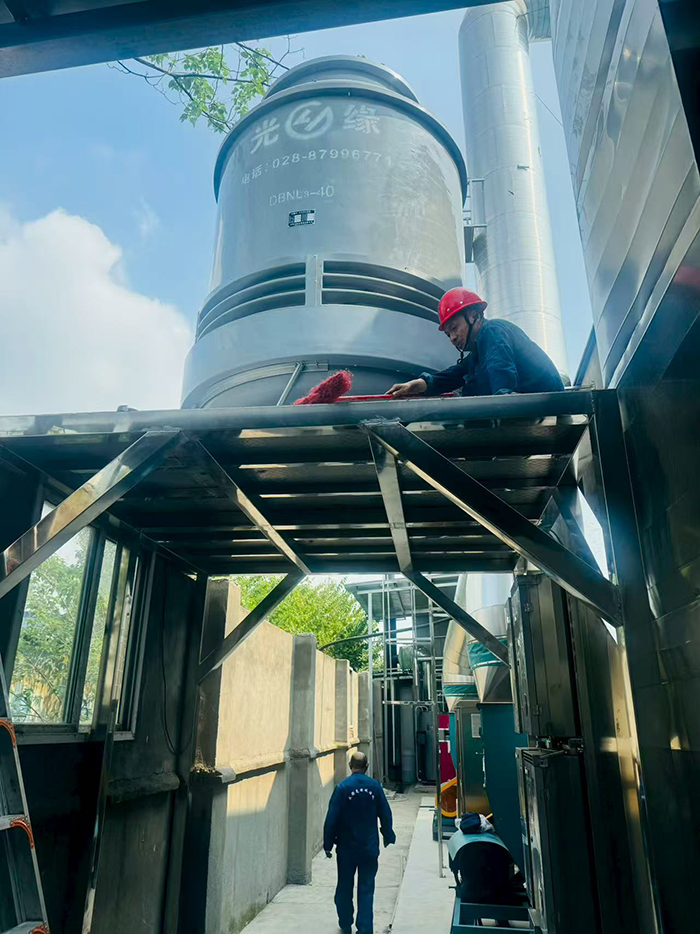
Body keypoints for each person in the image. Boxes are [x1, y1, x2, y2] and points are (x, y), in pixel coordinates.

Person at [387, 287, 564, 398]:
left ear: (473, 315)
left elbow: (501, 372)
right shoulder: (477, 354)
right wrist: (420, 383)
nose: (452, 338)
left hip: (548, 403)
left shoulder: (492, 331)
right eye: (448, 334)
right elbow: (454, 374)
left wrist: (503, 398)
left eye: (454, 328)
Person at [323, 750, 396, 934]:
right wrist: (388, 835)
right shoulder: (375, 787)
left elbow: (332, 818)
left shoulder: (342, 788)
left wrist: (328, 844)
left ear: (350, 766)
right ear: (367, 766)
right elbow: (385, 813)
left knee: (344, 886)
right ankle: (364, 929)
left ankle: (345, 922)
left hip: (346, 849)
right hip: (369, 848)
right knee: (366, 889)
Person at [448, 812, 526, 926]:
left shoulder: (457, 839)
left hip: (471, 895)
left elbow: (454, 870)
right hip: (502, 895)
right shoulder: (497, 841)